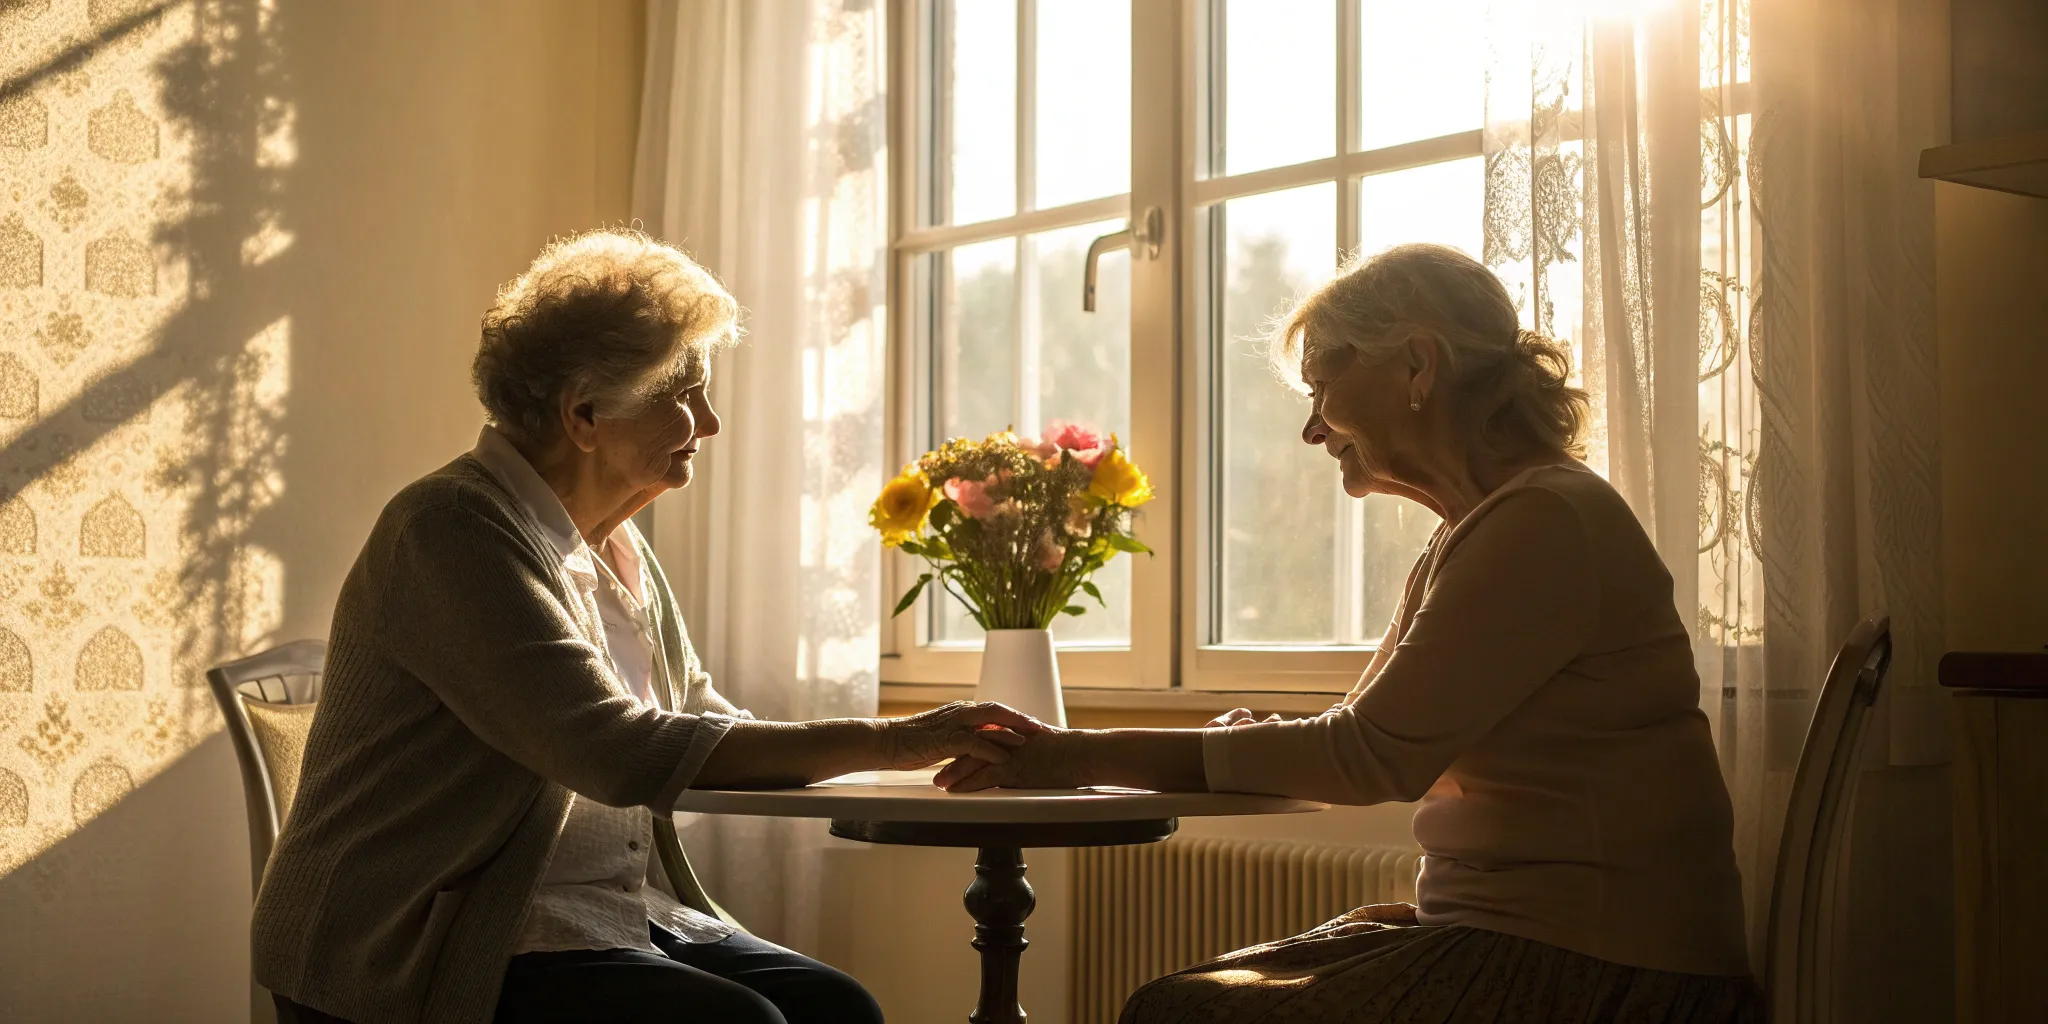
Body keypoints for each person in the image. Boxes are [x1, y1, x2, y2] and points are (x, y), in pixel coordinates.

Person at [937, 244, 1764, 1022]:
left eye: (1321, 387)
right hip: (1552, 938)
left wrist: (1071, 754)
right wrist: (1268, 740)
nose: (1312, 429)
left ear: (1416, 364)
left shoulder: (1542, 522)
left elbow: (1366, 757)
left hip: (1606, 971)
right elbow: (1370, 737)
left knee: (1177, 1010)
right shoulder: (1486, 526)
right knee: (1181, 1000)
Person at [253, 229, 1036, 1024]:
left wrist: (900, 753)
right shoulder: (450, 528)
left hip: (592, 913)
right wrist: (894, 740)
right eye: (683, 391)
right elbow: (618, 752)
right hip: (425, 935)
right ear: (585, 414)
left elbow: (696, 713)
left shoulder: (615, 542)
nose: (711, 421)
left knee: (840, 1009)